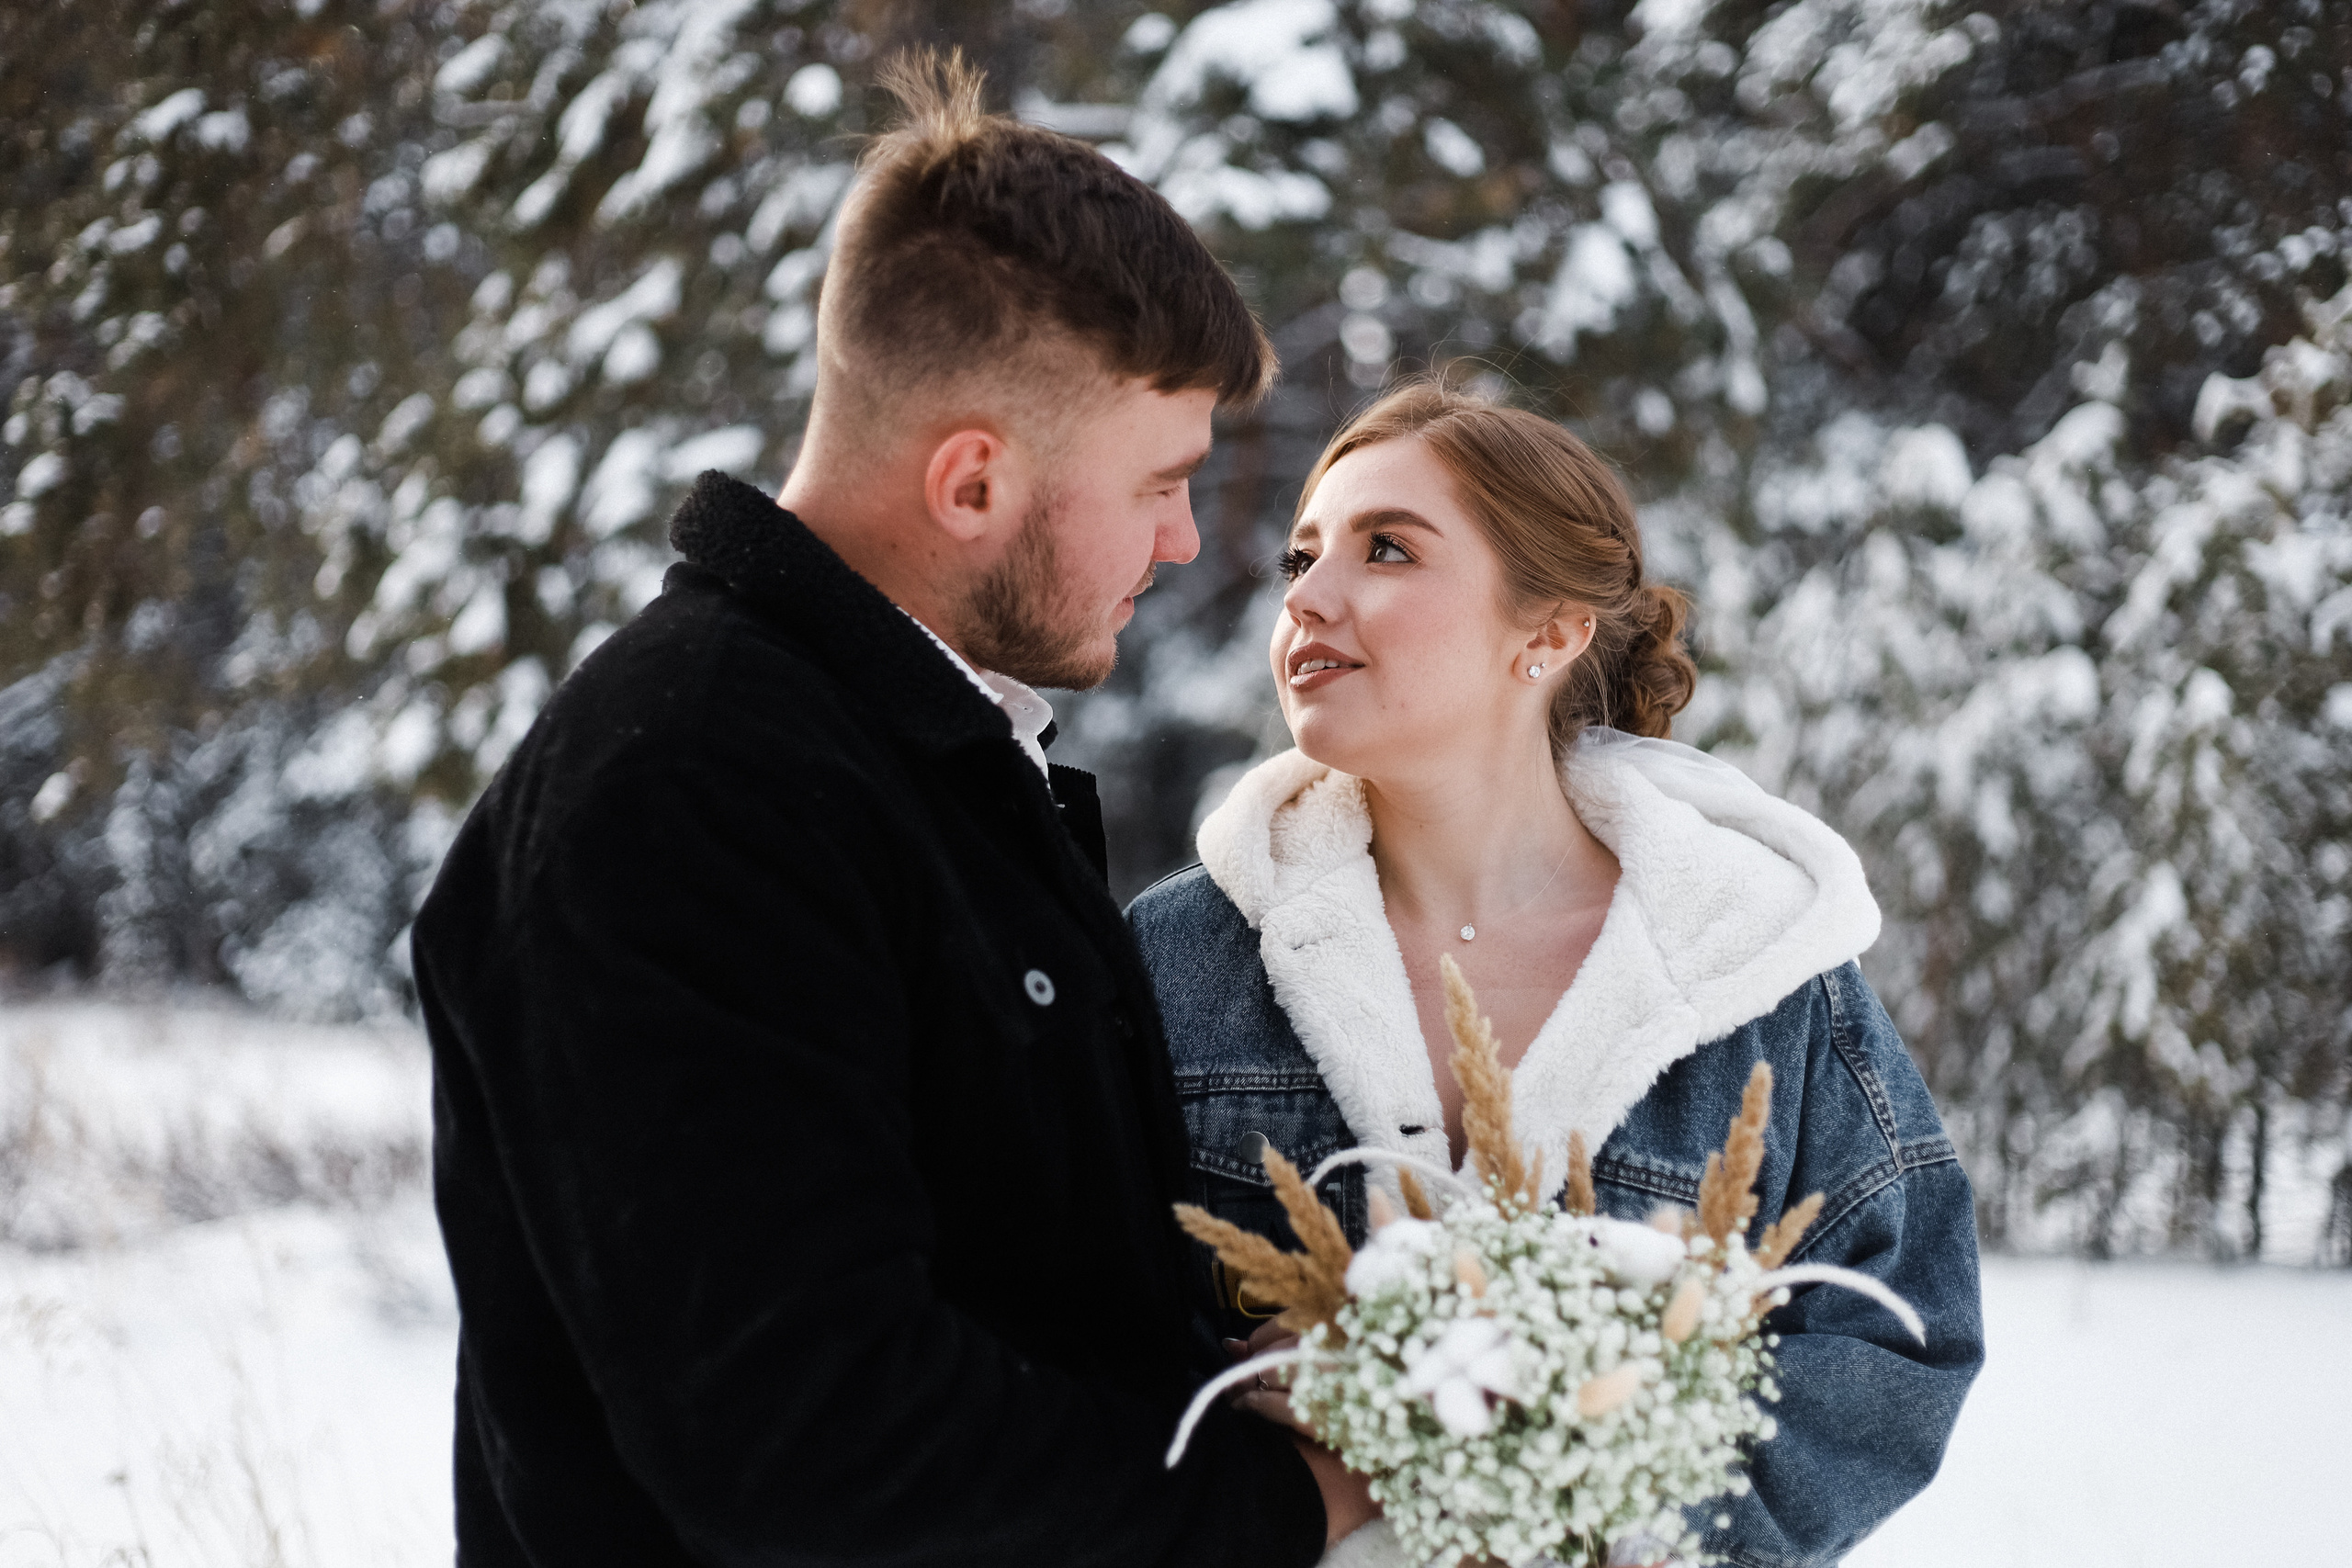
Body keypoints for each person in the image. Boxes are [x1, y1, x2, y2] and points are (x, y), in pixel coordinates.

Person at [411, 51, 1371, 1567]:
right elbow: (808, 1436)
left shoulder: (903, 758)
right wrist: (1276, 1509)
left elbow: (1035, 1284)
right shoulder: (690, 790)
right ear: (974, 482)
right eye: (1160, 480)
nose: (1189, 538)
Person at [1129, 379, 1984, 1567]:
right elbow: (1045, 1310)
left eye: (1386, 550)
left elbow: (1900, 1341)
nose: (1308, 598)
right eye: (1301, 555)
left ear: (1550, 630)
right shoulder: (1181, 956)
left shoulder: (1750, 965)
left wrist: (1623, 1514)